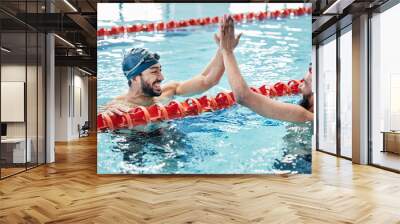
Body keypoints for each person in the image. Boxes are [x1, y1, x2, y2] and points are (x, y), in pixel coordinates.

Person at [217, 16, 314, 122]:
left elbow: (243, 96)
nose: (300, 85)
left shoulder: (303, 116)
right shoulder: (310, 116)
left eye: (310, 69)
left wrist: (227, 52)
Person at [103, 43, 226, 116]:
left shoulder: (169, 91)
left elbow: (207, 80)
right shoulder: (118, 106)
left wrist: (224, 49)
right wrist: (106, 113)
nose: (162, 77)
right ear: (135, 77)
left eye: (160, 70)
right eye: (154, 72)